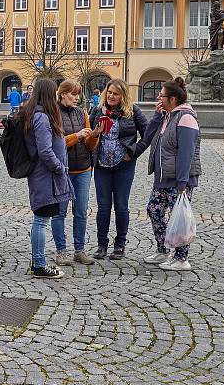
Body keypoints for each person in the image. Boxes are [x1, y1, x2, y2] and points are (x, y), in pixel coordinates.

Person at [143, 77, 201, 271]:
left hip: (178, 180)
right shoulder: (167, 116)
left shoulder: (186, 117)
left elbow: (186, 153)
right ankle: (163, 249)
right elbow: (148, 136)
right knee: (154, 210)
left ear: (173, 99)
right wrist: (157, 116)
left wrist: (182, 183)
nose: (158, 98)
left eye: (161, 95)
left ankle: (181, 258)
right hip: (162, 177)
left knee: (179, 217)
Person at [89, 78, 149, 261]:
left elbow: (148, 134)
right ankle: (101, 245)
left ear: (122, 95)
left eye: (116, 93)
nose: (111, 96)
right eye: (109, 92)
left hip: (123, 166)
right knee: (103, 206)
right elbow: (88, 134)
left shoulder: (132, 111)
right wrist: (95, 134)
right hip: (102, 166)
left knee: (121, 206)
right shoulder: (97, 111)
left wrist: (133, 152)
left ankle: (120, 244)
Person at [23, 78, 74, 279]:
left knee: (41, 218)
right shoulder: (42, 118)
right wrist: (60, 168)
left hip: (44, 175)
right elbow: (45, 151)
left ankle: (38, 260)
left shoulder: (37, 114)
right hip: (45, 176)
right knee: (41, 220)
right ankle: (39, 263)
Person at [51, 80, 100, 267]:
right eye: (73, 94)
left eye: (78, 94)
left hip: (84, 169)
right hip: (62, 170)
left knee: (80, 212)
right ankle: (61, 252)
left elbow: (88, 146)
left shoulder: (82, 113)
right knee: (60, 213)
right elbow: (55, 144)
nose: (77, 97)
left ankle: (79, 251)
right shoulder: (53, 114)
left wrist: (94, 136)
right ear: (62, 94)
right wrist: (76, 136)